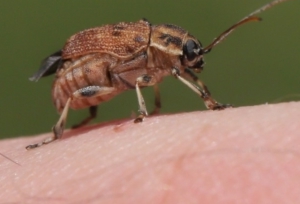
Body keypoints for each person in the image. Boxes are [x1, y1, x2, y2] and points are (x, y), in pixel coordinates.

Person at [1, 101, 299, 203]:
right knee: (78, 91)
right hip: (84, 74)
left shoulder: (157, 58)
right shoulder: (144, 49)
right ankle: (55, 136)